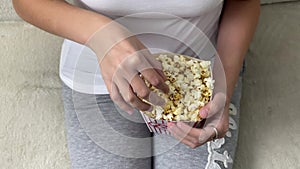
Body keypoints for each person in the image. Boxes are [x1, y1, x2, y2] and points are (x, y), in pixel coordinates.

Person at [13, 0, 260, 168]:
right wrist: (101, 33)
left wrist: (222, 87)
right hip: (97, 78)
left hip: (199, 81)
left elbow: (243, 2)